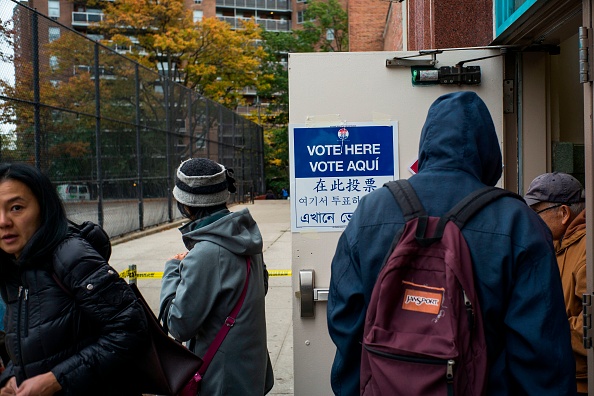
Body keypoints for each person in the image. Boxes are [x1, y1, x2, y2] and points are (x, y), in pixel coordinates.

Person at [327, 91, 576, 395]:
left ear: (426, 144)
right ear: (488, 151)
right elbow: (542, 353)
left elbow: (344, 320)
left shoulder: (370, 211)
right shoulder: (518, 223)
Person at [0, 162, 149, 396]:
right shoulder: (14, 268)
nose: (3, 221)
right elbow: (34, 341)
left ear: (43, 208)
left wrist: (55, 380)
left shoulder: (71, 256)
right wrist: (12, 377)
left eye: (16, 208)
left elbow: (131, 329)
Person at [159, 158, 274, 395]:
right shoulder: (246, 238)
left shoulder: (205, 255)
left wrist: (172, 270)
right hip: (251, 372)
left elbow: (179, 326)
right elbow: (260, 288)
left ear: (186, 205)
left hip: (220, 382)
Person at [524, 172, 587, 395]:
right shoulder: (553, 244)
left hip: (580, 383)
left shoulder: (586, 250)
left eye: (536, 213)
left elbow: (587, 327)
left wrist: (537, 334)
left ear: (563, 213)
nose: (529, 220)